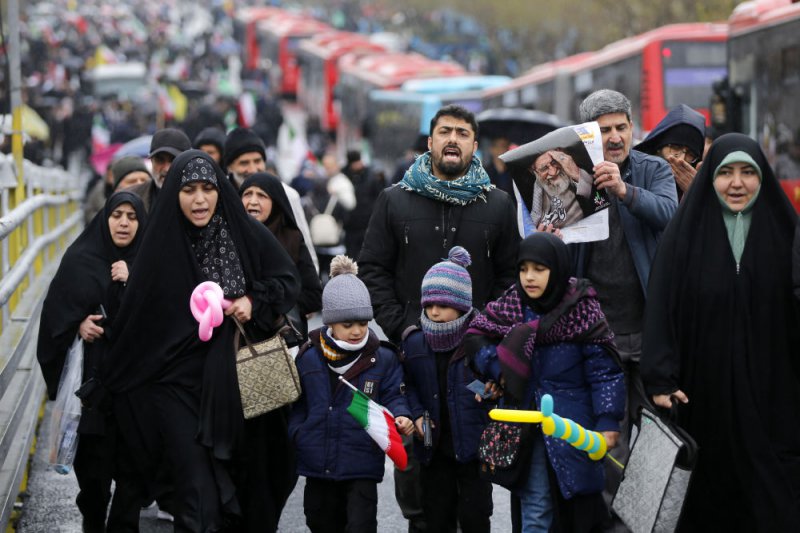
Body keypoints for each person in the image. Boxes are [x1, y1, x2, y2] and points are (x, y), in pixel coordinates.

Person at [101, 150, 301, 531]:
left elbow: (287, 280)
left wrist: (252, 300)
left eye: (207, 189)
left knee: (248, 486)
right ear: (173, 194)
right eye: (188, 189)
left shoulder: (244, 231)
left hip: (238, 382)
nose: (199, 199)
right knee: (197, 495)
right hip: (175, 384)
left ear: (220, 190)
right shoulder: (160, 243)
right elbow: (137, 318)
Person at [359, 104, 519, 532]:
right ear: (430, 142)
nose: (453, 139)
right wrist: (402, 325)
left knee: (474, 495)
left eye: (462, 133)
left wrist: (486, 331)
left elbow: (510, 276)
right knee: (421, 494)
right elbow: (373, 269)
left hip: (473, 363)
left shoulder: (498, 204)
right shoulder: (395, 200)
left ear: (474, 145)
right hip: (414, 362)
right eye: (445, 131)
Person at [641, 133, 800, 532]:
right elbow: (661, 306)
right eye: (726, 173)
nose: (737, 184)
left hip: (773, 395)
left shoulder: (786, 236)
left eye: (748, 172)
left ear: (763, 177)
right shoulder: (684, 237)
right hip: (702, 396)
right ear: (710, 178)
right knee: (708, 501)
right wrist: (660, 378)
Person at [469, 232, 625, 532]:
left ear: (558, 268)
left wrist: (608, 420)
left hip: (574, 428)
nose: (529, 277)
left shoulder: (582, 309)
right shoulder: (513, 304)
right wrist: (500, 371)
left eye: (539, 269)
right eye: (523, 268)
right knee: (536, 508)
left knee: (579, 508)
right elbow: (477, 336)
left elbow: (604, 372)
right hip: (530, 427)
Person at [573, 89, 677, 495]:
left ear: (633, 127)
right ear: (587, 136)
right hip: (601, 337)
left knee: (655, 442)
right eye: (604, 130)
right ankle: (610, 518)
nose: (615, 137)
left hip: (650, 332)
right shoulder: (573, 175)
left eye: (621, 127)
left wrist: (624, 191)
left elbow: (670, 214)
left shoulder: (653, 169)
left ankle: (644, 518)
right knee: (608, 442)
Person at [37, 191, 148, 533]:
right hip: (93, 390)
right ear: (105, 218)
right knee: (94, 478)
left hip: (136, 389)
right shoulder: (80, 259)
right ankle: (93, 522)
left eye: (132, 216)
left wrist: (134, 279)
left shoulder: (149, 261)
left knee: (133, 474)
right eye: (117, 215)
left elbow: (162, 314)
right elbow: (55, 315)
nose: (124, 223)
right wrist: (78, 325)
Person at [288, 255, 413, 533]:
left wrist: (402, 415)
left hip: (361, 460)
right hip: (317, 459)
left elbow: (394, 394)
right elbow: (298, 403)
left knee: (361, 524)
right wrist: (298, 433)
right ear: (331, 323)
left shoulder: (382, 358)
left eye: (363, 323)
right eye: (347, 325)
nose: (357, 331)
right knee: (319, 520)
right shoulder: (309, 357)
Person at [401, 246, 493, 533]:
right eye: (428, 304)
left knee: (475, 516)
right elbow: (407, 386)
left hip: (474, 448)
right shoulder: (415, 342)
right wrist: (417, 414)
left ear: (462, 305)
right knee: (436, 516)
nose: (434, 311)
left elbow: (494, 383)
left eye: (442, 305)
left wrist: (485, 390)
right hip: (433, 448)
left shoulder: (478, 339)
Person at [239, 172, 322, 342]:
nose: (253, 201)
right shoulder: (229, 238)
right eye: (247, 194)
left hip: (283, 340)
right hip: (239, 339)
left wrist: (266, 305)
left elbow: (313, 296)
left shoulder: (292, 239)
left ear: (276, 202)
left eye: (262, 195)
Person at [224, 127, 319, 273]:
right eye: (244, 163)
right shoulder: (220, 196)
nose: (253, 169)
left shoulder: (287, 195)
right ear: (230, 167)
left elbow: (306, 248)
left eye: (257, 161)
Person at [634, 104, 706, 200]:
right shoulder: (634, 175)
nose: (681, 159)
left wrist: (696, 195)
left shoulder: (703, 186)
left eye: (691, 154)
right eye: (675, 147)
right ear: (659, 147)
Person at [528, 149, 596, 229]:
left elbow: (595, 193)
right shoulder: (538, 185)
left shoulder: (572, 170)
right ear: (535, 172)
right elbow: (536, 213)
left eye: (554, 162)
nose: (553, 172)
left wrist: (577, 174)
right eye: (544, 168)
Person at [129, 127, 191, 212]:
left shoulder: (200, 199)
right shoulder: (132, 197)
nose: (166, 169)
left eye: (174, 160)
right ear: (151, 161)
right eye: (160, 160)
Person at [341, 149, 384, 259]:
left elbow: (379, 196)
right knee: (351, 254)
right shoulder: (343, 177)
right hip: (350, 223)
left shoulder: (371, 176)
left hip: (367, 222)